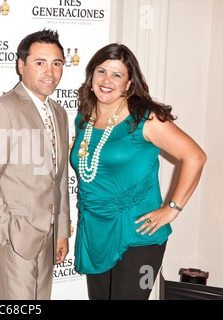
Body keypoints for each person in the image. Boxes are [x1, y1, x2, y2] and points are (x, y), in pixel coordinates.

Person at [70, 43, 207, 300]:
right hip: (96, 231)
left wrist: (172, 208)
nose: (107, 80)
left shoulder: (146, 118)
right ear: (91, 77)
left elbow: (195, 157)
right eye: (101, 71)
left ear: (129, 84)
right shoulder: (84, 119)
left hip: (139, 235)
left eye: (117, 74)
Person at [0, 29, 71, 300]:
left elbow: (58, 178)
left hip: (47, 238)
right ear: (21, 65)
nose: (50, 71)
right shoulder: (1, 109)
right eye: (40, 63)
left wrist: (61, 231)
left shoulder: (59, 113)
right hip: (15, 240)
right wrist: (6, 235)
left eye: (57, 63)